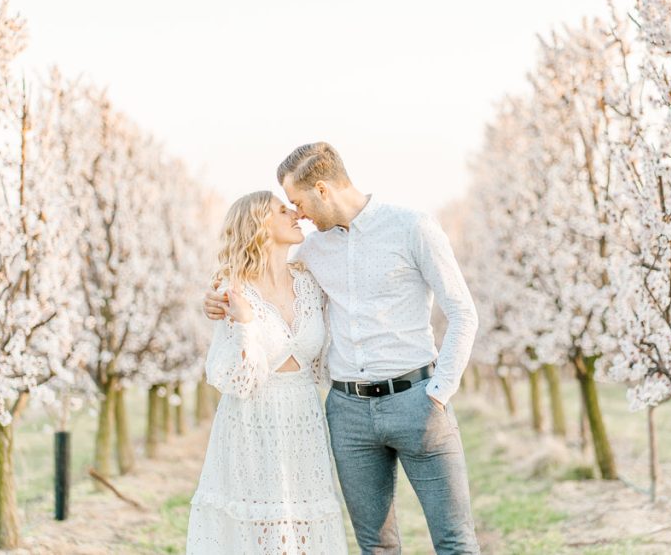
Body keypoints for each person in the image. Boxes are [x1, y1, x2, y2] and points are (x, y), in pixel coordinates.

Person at [204, 142, 480, 555]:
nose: (298, 213)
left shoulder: (412, 227)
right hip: (348, 414)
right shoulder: (312, 251)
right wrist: (218, 300)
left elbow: (462, 312)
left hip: (418, 401)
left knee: (455, 542)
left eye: (298, 201)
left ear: (322, 189)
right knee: (375, 547)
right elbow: (266, 280)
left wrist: (439, 394)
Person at [186, 190, 349, 554]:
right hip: (251, 423)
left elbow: (323, 358)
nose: (294, 213)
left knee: (303, 527)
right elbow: (238, 381)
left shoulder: (310, 282)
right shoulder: (233, 290)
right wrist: (245, 324)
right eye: (281, 209)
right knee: (258, 529)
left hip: (303, 420)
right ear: (260, 224)